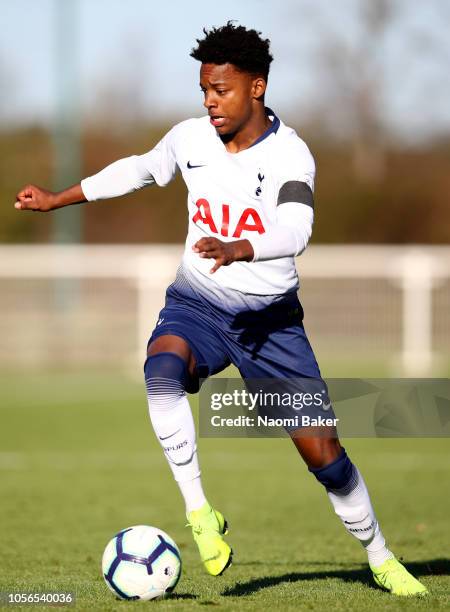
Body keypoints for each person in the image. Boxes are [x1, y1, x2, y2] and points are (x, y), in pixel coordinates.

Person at [15, 22, 427, 597]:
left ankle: (380, 557)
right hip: (197, 305)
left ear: (256, 87)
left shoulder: (291, 154)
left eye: (222, 90)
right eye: (204, 89)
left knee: (325, 456)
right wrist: (60, 198)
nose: (210, 102)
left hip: (270, 325)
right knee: (161, 371)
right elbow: (138, 169)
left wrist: (240, 249)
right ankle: (199, 514)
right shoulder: (189, 138)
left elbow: (297, 228)